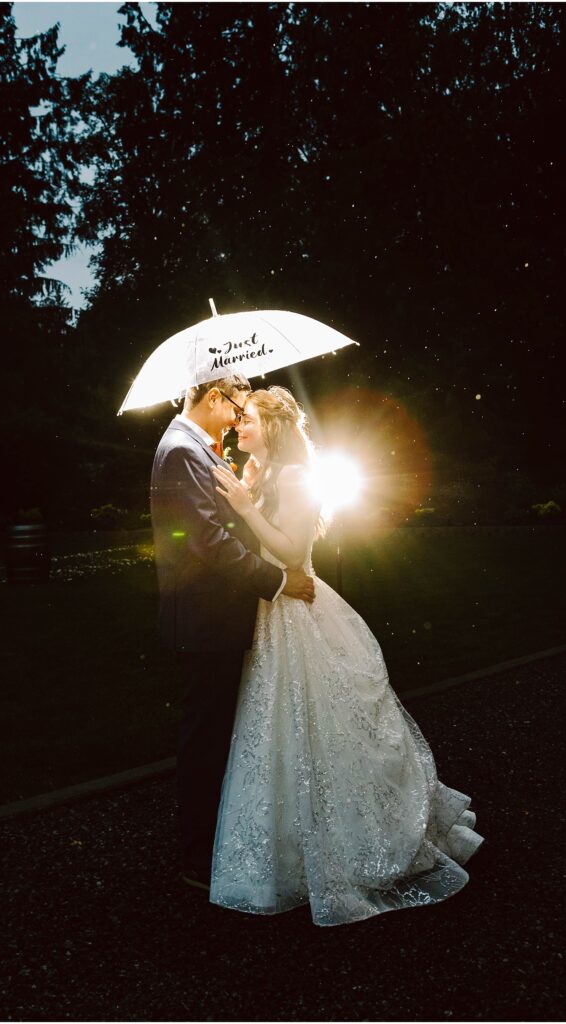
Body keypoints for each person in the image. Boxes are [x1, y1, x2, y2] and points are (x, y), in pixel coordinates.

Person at [210, 385, 484, 926]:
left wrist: (244, 506)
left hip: (297, 610)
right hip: (270, 611)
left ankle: (360, 844)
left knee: (324, 727)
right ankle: (286, 850)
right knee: (280, 730)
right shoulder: (263, 472)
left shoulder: (295, 476)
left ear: (274, 428)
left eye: (249, 419)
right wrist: (245, 491)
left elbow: (291, 551)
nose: (240, 426)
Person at [150, 375, 315, 892]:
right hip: (206, 620)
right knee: (206, 738)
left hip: (219, 618)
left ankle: (223, 838)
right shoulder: (183, 450)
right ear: (214, 398)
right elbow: (209, 541)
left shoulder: (198, 448)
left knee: (221, 733)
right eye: (237, 408)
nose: (239, 418)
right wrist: (278, 582)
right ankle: (199, 856)